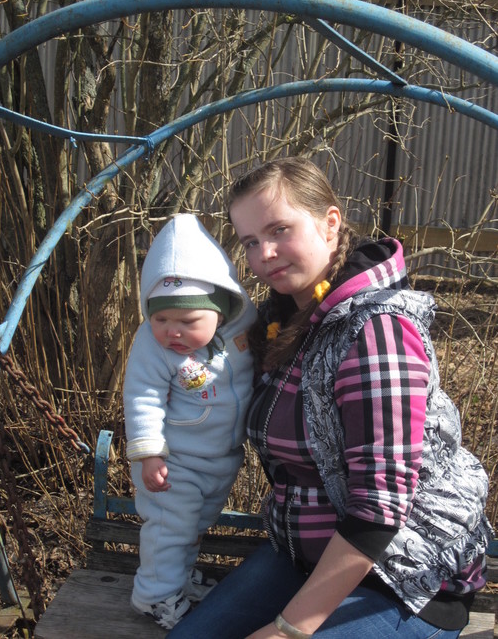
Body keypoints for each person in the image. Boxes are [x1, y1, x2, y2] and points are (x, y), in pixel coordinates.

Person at [168, 158, 494, 639]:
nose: (265, 253)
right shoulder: (283, 321)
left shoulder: (375, 330)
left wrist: (287, 629)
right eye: (250, 241)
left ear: (330, 223)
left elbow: (379, 508)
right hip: (304, 556)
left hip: (404, 576)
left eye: (279, 230)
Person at [123, 213, 257, 630]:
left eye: (187, 322)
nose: (172, 332)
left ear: (221, 310)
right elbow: (142, 396)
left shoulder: (243, 330)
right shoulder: (152, 346)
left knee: (194, 526)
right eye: (161, 319)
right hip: (172, 463)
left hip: (220, 458)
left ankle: (177, 579)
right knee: (170, 529)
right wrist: (149, 454)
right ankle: (154, 597)